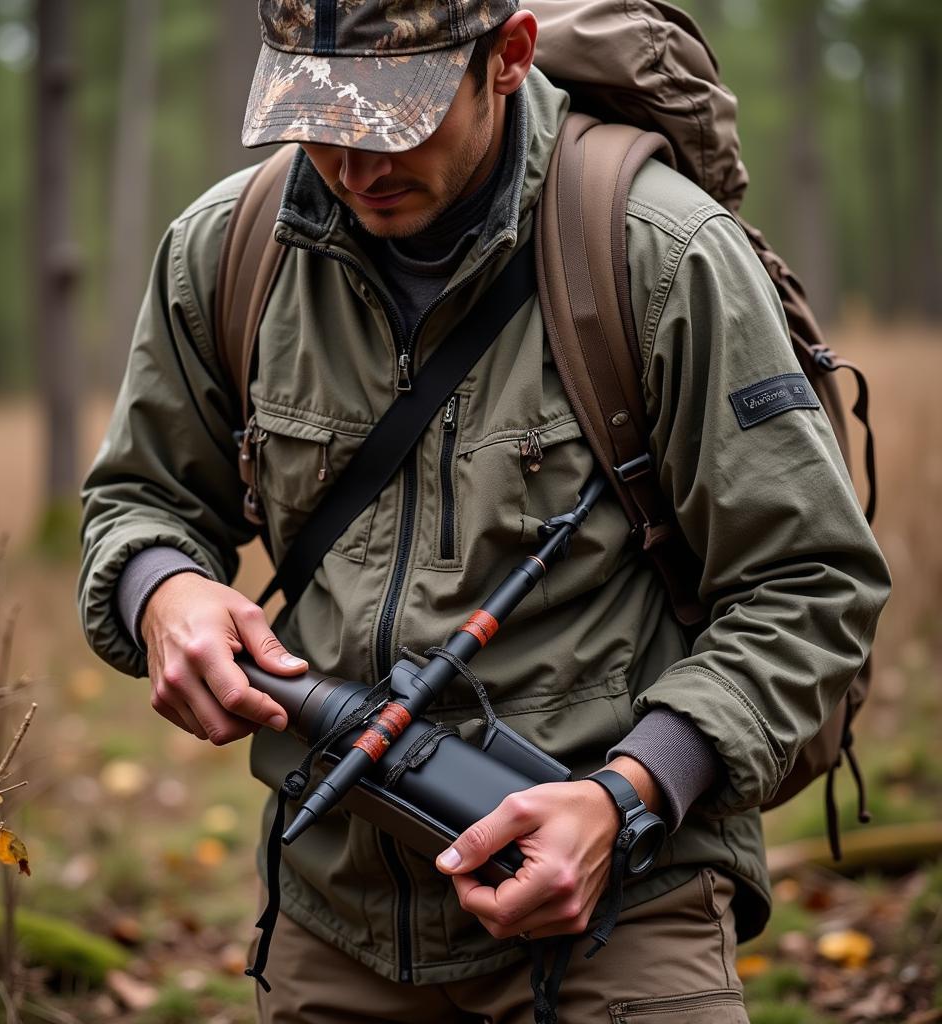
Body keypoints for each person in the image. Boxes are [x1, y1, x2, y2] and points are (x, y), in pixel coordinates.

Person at [79, 2, 890, 1021]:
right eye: (315, 116)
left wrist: (625, 793)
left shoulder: (659, 252)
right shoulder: (228, 253)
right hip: (335, 912)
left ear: (505, 57)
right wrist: (165, 591)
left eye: (394, 118)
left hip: (623, 902)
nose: (350, 161)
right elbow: (138, 499)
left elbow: (811, 582)